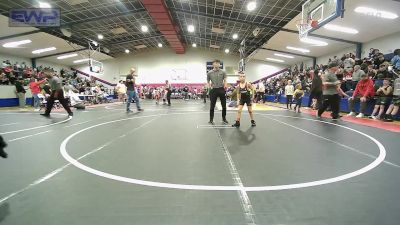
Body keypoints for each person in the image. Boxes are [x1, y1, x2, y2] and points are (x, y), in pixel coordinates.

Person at [207, 59, 228, 125]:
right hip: (213, 90)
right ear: (213, 64)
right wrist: (209, 88)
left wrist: (225, 85)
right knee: (212, 106)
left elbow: (225, 80)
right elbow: (208, 81)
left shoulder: (223, 72)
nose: (216, 64)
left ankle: (224, 118)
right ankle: (211, 119)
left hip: (221, 89)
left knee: (224, 106)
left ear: (219, 64)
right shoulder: (209, 72)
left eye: (218, 63)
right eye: (215, 63)